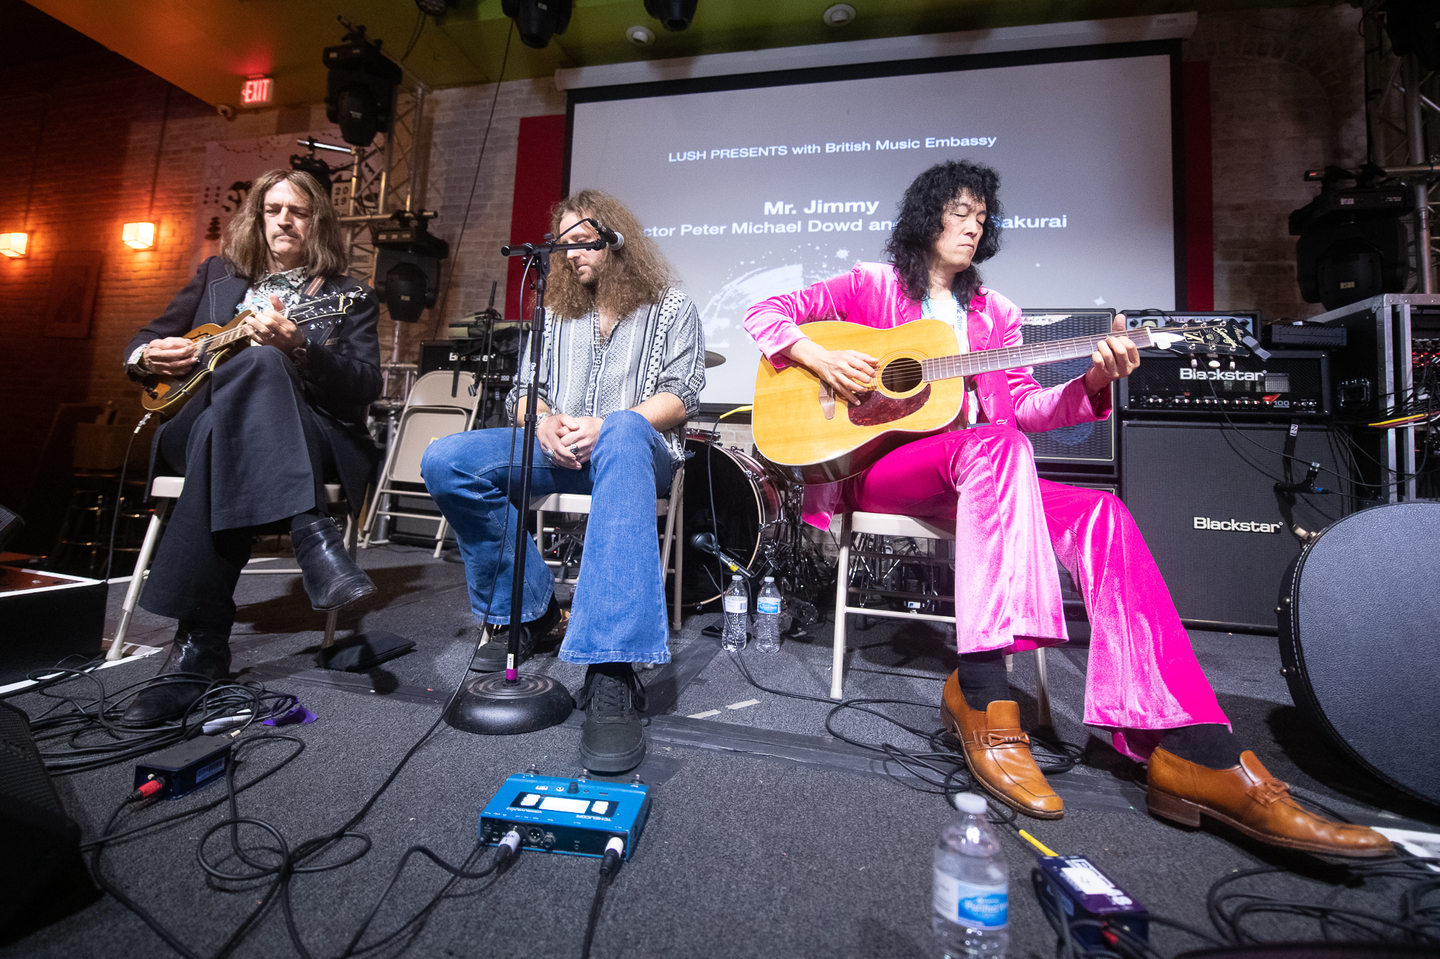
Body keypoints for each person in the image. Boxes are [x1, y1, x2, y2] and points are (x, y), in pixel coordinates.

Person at [744, 160, 1391, 858]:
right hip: (890, 471)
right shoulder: (870, 287)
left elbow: (1024, 408)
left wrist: (1092, 378)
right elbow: (763, 314)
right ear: (927, 214)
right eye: (960, 210)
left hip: (989, 479)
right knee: (995, 449)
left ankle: (1187, 745)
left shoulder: (998, 316)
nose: (972, 225)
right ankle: (988, 688)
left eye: (983, 217)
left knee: (1101, 514)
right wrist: (821, 357)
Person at [422, 190, 706, 774]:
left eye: (582, 242)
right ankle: (527, 614)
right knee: (448, 459)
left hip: (635, 449)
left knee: (624, 431)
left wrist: (610, 424)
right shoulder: (555, 314)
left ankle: (612, 671)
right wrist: (543, 420)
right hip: (560, 447)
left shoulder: (672, 304)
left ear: (617, 239)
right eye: (563, 245)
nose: (570, 254)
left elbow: (682, 396)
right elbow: (526, 392)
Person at [122, 169, 381, 724]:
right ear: (257, 217)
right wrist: (145, 358)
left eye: (300, 210)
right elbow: (146, 336)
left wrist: (303, 349)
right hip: (192, 420)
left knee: (249, 388)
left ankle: (199, 649)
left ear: (319, 222)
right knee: (223, 414)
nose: (285, 219)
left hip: (305, 429)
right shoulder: (218, 274)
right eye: (273, 208)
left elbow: (365, 385)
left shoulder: (347, 295)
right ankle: (310, 528)